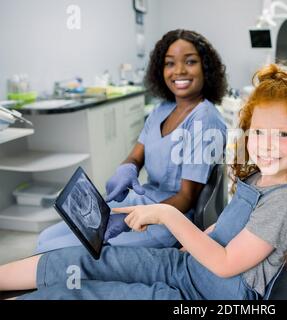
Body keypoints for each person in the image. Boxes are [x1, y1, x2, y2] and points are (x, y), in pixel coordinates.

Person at [0, 64, 287, 300]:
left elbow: (225, 264)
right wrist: (193, 239)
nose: (266, 144)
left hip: (204, 294)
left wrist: (166, 216)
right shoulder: (259, 177)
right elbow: (226, 230)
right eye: (259, 132)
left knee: (86, 293)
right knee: (87, 259)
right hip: (187, 268)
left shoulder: (284, 200)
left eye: (282, 134)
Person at [35, 29, 228, 253]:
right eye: (169, 63)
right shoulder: (161, 110)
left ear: (206, 67)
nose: (179, 71)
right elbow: (137, 154)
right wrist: (127, 168)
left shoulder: (204, 119)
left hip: (166, 219)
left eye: (191, 61)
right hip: (139, 201)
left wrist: (136, 218)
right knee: (46, 237)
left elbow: (186, 197)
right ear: (160, 70)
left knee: (53, 249)